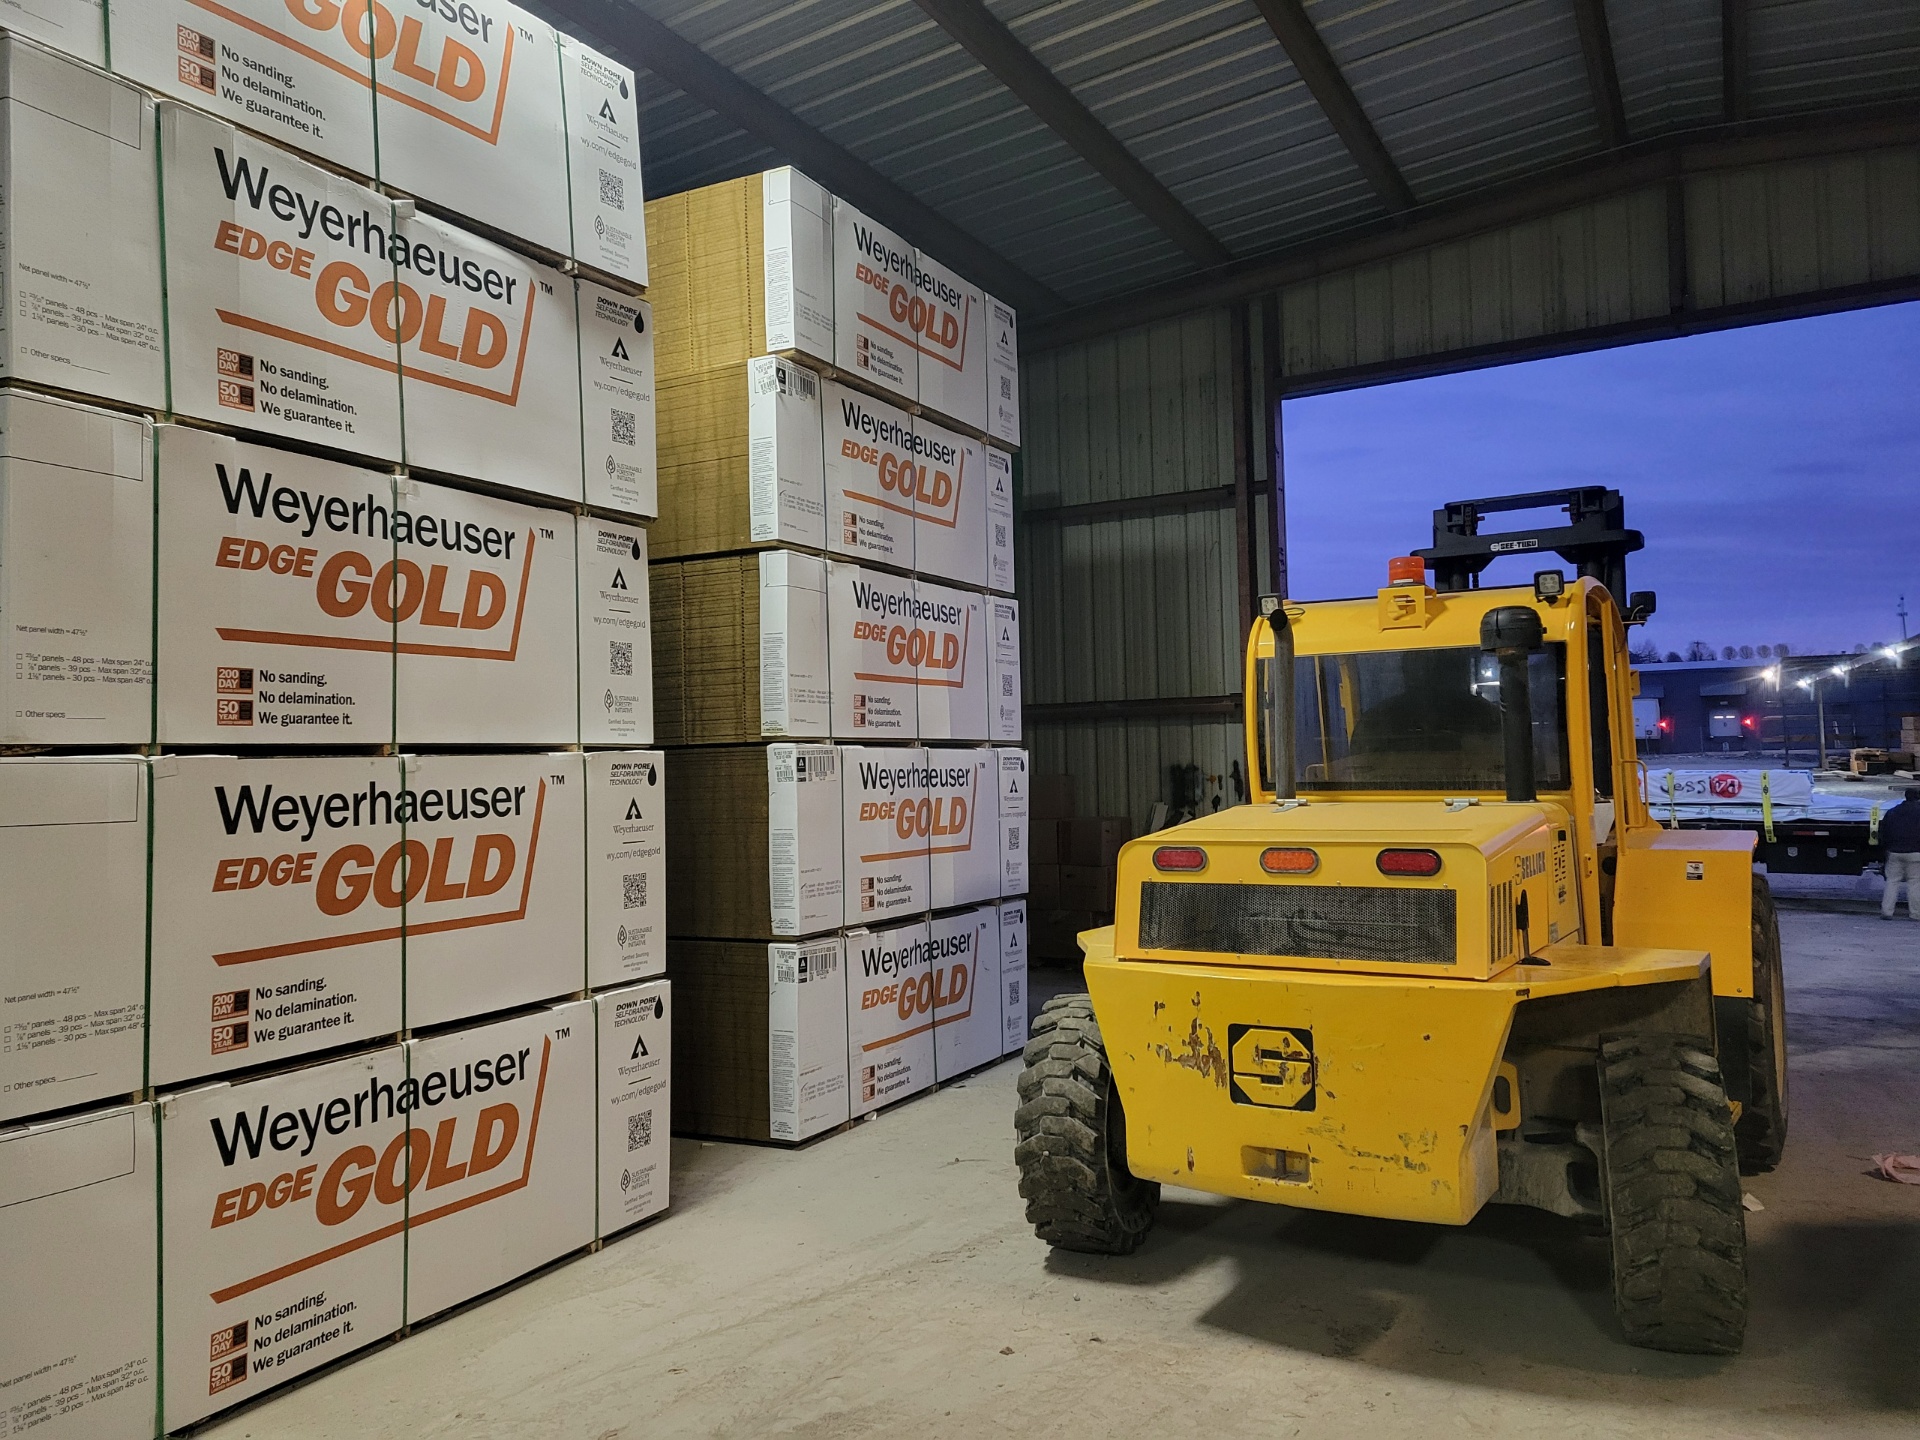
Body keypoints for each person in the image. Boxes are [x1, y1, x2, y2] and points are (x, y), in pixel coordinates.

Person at [1880, 786, 1920, 920]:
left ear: (1905, 797)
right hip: (1915, 853)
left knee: (1892, 882)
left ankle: (1887, 912)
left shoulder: (1892, 812)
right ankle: (1915, 913)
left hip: (1894, 852)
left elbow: (1883, 832)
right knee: (1914, 883)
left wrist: (1887, 849)